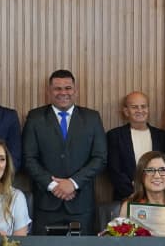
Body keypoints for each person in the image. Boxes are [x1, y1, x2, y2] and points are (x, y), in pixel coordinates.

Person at [21, 70, 108, 235]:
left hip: (81, 204)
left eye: (68, 88)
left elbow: (100, 158)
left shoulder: (92, 118)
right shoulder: (35, 117)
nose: (63, 93)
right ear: (49, 91)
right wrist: (54, 186)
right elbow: (29, 158)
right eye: (57, 88)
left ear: (75, 91)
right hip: (46, 205)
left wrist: (73, 183)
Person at [106, 91, 165, 202]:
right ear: (126, 111)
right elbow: (114, 170)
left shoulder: (163, 136)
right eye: (134, 107)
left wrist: (153, 193)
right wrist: (136, 194)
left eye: (143, 106)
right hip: (126, 198)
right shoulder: (114, 136)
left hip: (158, 198)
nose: (140, 110)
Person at [117, 151, 165, 217]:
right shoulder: (128, 207)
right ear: (141, 176)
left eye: (162, 170)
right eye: (150, 170)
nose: (157, 176)